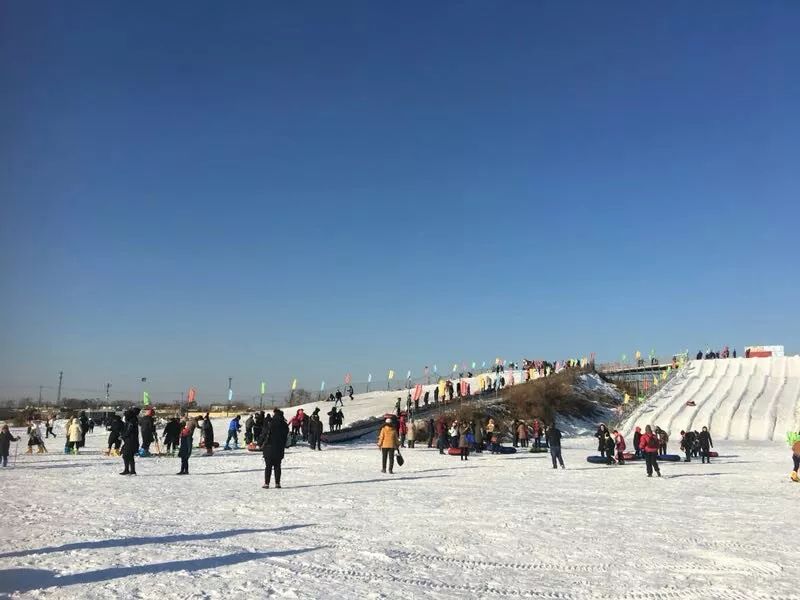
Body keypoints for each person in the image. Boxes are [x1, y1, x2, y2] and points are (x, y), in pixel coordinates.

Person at [260, 408, 289, 488]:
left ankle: (266, 483)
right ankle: (277, 483)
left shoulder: (270, 423)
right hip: (279, 449)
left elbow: (264, 434)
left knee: (268, 466)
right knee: (277, 466)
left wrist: (260, 443)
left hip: (268, 448)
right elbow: (285, 437)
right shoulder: (284, 425)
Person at [120, 408, 140, 475]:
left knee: (127, 455)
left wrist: (122, 436)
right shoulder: (133, 420)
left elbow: (129, 431)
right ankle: (130, 470)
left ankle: (129, 470)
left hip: (131, 441)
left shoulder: (131, 421)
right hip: (131, 440)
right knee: (129, 456)